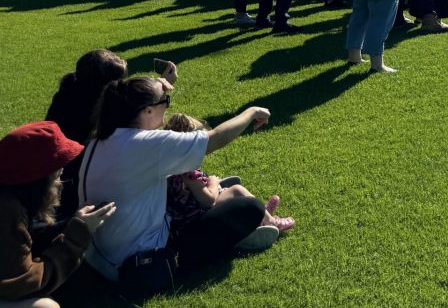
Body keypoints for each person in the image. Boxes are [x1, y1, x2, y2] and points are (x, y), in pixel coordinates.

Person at [79, 77, 277, 285]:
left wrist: (157, 89)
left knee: (217, 194)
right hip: (141, 262)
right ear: (147, 110)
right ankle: (238, 235)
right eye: (165, 102)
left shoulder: (101, 140)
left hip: (101, 258)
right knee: (249, 208)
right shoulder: (145, 144)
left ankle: (220, 198)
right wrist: (252, 111)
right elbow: (215, 138)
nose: (167, 108)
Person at [0, 122, 117, 308]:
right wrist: (76, 235)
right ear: (35, 178)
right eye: (55, 170)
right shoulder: (7, 213)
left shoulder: (11, 195)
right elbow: (21, 285)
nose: (61, 174)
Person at [44, 50, 140, 217]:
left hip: (60, 173)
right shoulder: (97, 112)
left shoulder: (69, 91)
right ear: (103, 87)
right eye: (117, 82)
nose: (121, 86)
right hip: (73, 179)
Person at [164, 114, 294, 236]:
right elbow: (209, 201)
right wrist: (213, 183)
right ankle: (271, 221)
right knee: (236, 190)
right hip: (197, 220)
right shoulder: (189, 175)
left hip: (187, 218)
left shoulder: (171, 169)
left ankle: (260, 213)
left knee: (229, 191)